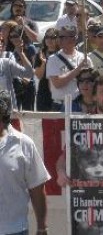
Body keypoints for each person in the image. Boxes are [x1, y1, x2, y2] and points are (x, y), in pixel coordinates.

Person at [0, 89, 50, 235]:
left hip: (15, 229)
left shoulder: (24, 143)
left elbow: (37, 189)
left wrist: (42, 227)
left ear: (4, 113)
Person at [46, 26, 93, 112]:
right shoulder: (53, 59)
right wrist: (78, 69)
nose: (59, 40)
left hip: (79, 105)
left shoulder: (85, 59)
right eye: (59, 37)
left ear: (74, 38)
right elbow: (57, 83)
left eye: (63, 37)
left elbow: (91, 84)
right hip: (60, 106)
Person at [6, 24, 38, 111]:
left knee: (28, 115)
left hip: (29, 85)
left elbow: (33, 67)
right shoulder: (10, 50)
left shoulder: (30, 48)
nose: (13, 39)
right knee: (14, 113)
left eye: (15, 36)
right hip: (16, 84)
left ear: (22, 35)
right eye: (11, 37)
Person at [34, 28, 60, 112]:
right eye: (47, 37)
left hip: (58, 90)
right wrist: (43, 63)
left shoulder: (62, 53)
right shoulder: (40, 53)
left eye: (53, 37)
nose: (49, 40)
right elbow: (39, 76)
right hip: (44, 91)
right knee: (44, 120)